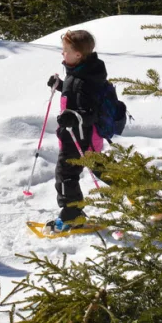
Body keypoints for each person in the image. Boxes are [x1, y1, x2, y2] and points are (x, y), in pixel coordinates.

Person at [45, 28, 107, 235]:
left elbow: (90, 111)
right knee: (102, 168)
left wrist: (73, 117)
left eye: (65, 50)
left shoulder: (84, 80)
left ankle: (72, 217)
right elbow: (77, 97)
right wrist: (61, 86)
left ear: (78, 54)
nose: (62, 53)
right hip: (83, 137)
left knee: (66, 175)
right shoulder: (82, 72)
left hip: (79, 138)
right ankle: (143, 192)